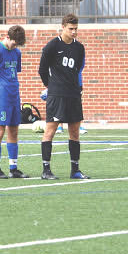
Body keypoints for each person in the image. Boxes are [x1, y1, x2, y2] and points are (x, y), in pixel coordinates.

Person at [38, 14, 89, 180]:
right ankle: (46, 170)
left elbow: (78, 69)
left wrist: (78, 88)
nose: (74, 32)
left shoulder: (79, 48)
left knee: (74, 132)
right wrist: (51, 86)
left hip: (73, 94)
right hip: (57, 95)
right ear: (63, 27)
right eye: (71, 29)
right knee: (50, 131)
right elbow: (42, 70)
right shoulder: (52, 45)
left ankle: (75, 170)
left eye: (76, 29)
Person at [0, 25, 29, 179]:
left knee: (14, 130)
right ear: (8, 37)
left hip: (14, 97)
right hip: (1, 97)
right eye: (14, 43)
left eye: (18, 44)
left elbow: (13, 74)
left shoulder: (16, 52)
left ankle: (13, 168)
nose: (15, 46)